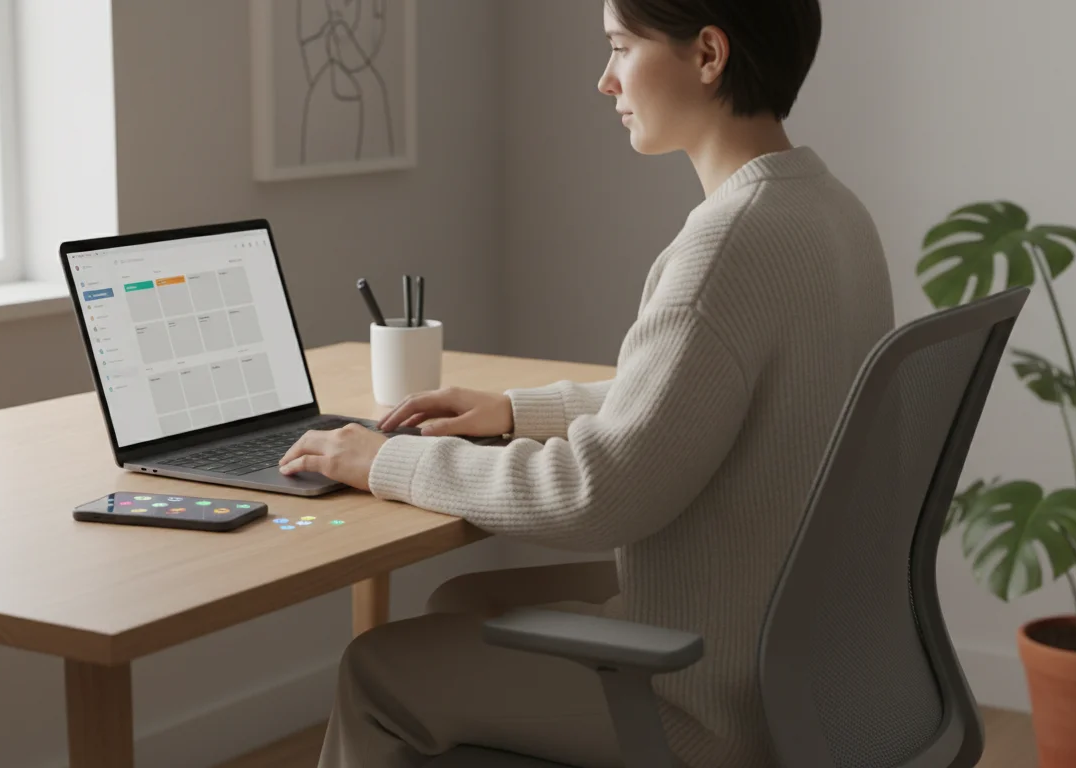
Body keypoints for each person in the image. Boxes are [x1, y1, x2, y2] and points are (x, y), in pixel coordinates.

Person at [281, 0, 894, 764]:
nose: (605, 80)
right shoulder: (830, 212)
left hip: (701, 697)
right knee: (462, 604)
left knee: (376, 670)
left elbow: (595, 493)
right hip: (795, 663)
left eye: (620, 47)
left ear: (708, 56)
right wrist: (515, 411)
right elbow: (697, 399)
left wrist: (386, 461)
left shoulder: (725, 247)